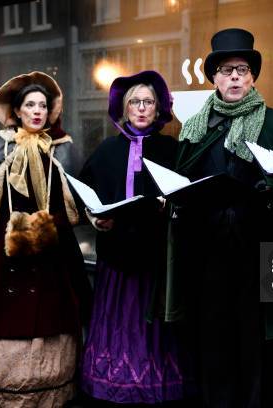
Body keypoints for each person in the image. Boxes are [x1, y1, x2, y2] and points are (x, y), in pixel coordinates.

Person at [168, 28, 273, 408]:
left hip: (257, 253)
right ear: (213, 77)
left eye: (242, 70)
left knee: (255, 342)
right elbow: (182, 183)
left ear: (253, 77)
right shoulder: (196, 126)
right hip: (206, 253)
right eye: (226, 70)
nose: (235, 78)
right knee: (211, 340)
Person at [0, 71, 92, 407]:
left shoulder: (63, 149)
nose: (37, 111)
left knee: (52, 316)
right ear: (18, 110)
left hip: (52, 252)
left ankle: (47, 392)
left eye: (43, 105)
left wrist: (48, 224)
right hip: (5, 253)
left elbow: (80, 201)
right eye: (30, 105)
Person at [79, 70, 193, 406]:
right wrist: (94, 218)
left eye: (148, 102)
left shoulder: (174, 150)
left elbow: (188, 196)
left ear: (158, 109)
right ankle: (112, 383)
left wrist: (169, 206)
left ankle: (156, 385)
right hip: (116, 259)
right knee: (119, 325)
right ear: (124, 109)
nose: (142, 108)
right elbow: (86, 194)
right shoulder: (105, 151)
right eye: (135, 102)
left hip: (156, 261)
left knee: (154, 329)